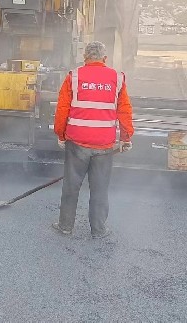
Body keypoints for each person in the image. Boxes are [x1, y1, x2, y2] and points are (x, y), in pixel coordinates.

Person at [53, 41, 133, 239]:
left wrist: (60, 134)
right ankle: (98, 230)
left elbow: (62, 109)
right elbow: (124, 111)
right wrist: (125, 137)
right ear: (105, 59)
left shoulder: (74, 76)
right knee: (99, 188)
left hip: (77, 142)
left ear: (85, 57)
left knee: (71, 186)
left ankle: (65, 227)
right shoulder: (117, 78)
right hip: (105, 145)